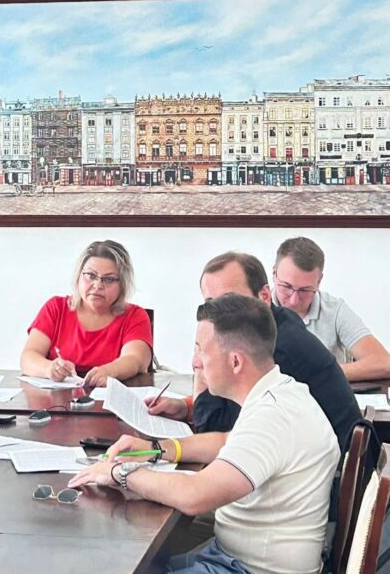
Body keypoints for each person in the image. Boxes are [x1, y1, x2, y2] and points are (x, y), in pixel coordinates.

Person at [70, 293, 341, 574]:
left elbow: (195, 495)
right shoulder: (282, 391)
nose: (195, 362)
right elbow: (226, 441)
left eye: (201, 351)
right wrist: (156, 449)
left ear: (235, 362)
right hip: (232, 556)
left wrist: (119, 473)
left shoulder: (273, 417)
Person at [147, 252, 360, 451]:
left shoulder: (275, 349)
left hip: (329, 473)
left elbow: (217, 430)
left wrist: (200, 360)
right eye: (210, 304)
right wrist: (187, 407)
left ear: (264, 296)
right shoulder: (274, 323)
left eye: (229, 301)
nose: (216, 315)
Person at [20, 240, 152, 387]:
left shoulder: (135, 316)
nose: (98, 285)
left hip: (110, 398)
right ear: (79, 276)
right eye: (91, 275)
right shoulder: (56, 308)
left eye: (109, 279)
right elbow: (28, 357)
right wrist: (49, 368)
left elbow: (136, 360)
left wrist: (109, 371)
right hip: (56, 399)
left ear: (122, 284)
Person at [273, 236, 390, 380]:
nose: (294, 300)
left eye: (305, 290)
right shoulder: (255, 311)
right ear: (274, 274)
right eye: (286, 287)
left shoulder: (335, 311)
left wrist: (324, 373)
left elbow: (384, 363)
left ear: (319, 281)